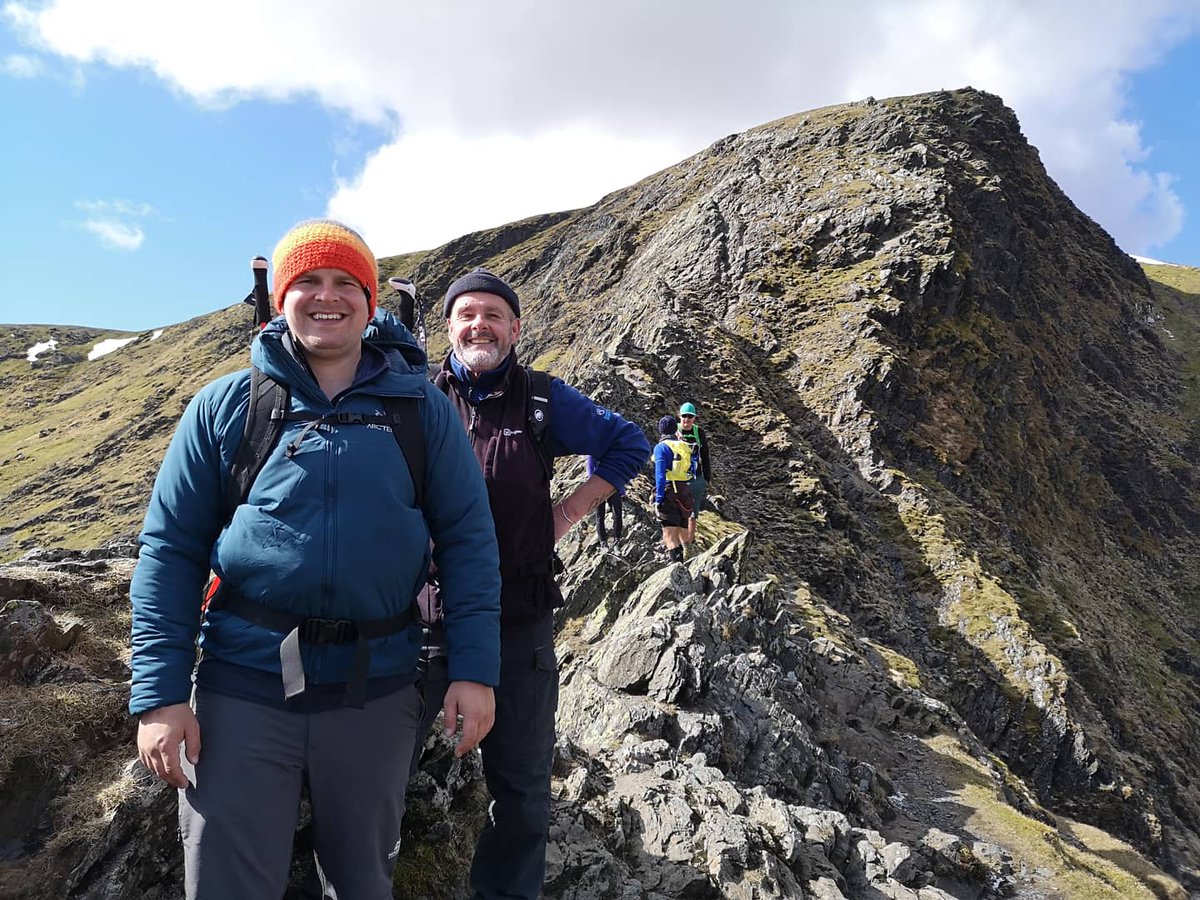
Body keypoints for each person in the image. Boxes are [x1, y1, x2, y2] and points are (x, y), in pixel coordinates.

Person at [130, 219, 502, 900]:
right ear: (280, 298)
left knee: (363, 883)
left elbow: (469, 544)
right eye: (307, 281)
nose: (325, 297)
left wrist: (475, 670)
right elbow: (171, 551)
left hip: (379, 689)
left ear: (368, 300)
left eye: (344, 283)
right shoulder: (227, 407)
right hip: (241, 689)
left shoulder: (421, 411)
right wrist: (159, 694)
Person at [418, 267, 650, 899]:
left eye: (493, 314)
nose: (480, 325)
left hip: (520, 621)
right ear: (448, 328)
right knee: (377, 777)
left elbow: (627, 444)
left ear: (516, 328)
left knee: (520, 793)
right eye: (466, 314)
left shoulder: (543, 398)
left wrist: (567, 514)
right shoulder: (419, 395)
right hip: (424, 621)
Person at [653, 415, 694, 563]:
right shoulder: (684, 446)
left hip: (669, 492)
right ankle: (689, 563)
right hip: (685, 492)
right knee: (681, 534)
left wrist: (658, 500)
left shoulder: (661, 448)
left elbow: (660, 476)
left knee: (669, 536)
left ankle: (679, 570)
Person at [677, 401, 713, 545]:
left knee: (692, 514)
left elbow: (705, 456)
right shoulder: (675, 431)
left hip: (695, 478)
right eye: (684, 416)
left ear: (694, 418)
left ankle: (689, 544)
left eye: (690, 417)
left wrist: (706, 479)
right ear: (679, 416)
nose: (686, 420)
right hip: (678, 478)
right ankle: (679, 543)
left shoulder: (699, 432)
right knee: (679, 513)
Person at [586, 454, 624, 544]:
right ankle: (603, 542)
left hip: (613, 486)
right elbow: (590, 469)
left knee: (617, 514)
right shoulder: (592, 452)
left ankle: (617, 540)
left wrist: (621, 487)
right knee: (600, 516)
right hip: (598, 488)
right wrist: (593, 486)